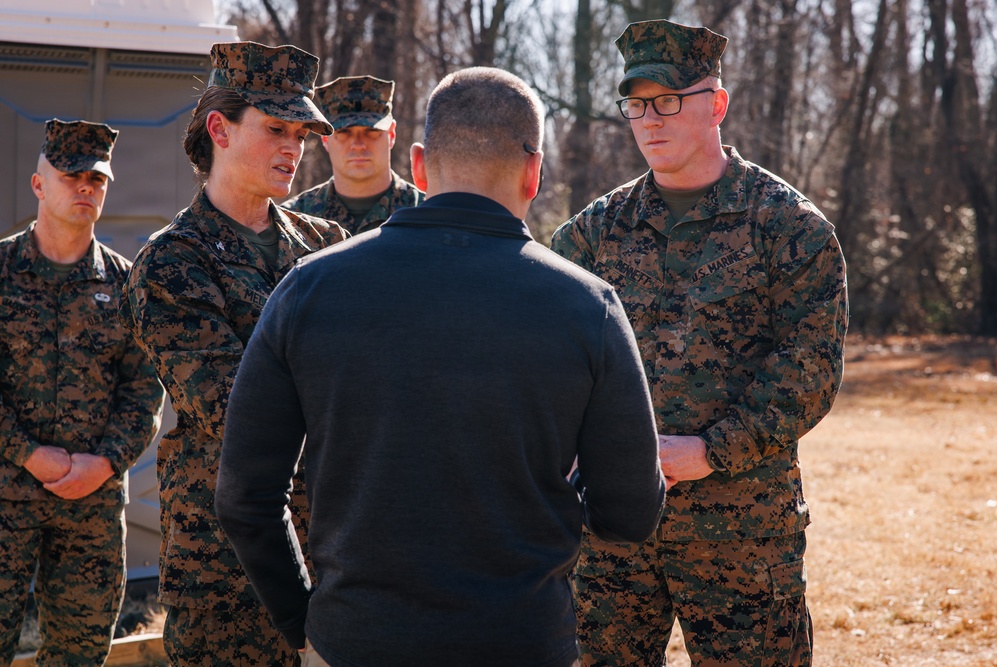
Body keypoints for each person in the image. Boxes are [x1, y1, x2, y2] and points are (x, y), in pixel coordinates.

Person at [215, 66, 667, 667]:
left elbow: (245, 496)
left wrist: (303, 620)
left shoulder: (310, 290)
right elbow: (631, 514)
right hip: (520, 640)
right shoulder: (588, 307)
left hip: (355, 639)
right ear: (534, 173)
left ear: (420, 165)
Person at [550, 20, 849, 667]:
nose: (649, 120)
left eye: (668, 100)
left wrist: (712, 449)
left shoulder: (789, 227)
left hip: (740, 532)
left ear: (715, 103)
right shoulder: (593, 234)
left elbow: (810, 368)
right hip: (613, 532)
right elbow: (540, 344)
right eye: (636, 103)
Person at [118, 41, 348, 666]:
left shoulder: (329, 245)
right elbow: (232, 407)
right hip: (228, 569)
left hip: (336, 547)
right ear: (218, 128)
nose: (294, 148)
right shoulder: (174, 261)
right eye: (276, 128)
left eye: (301, 133)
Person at [0, 119, 165, 666]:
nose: (85, 188)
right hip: (5, 495)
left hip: (89, 507)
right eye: (70, 176)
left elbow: (144, 391)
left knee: (79, 653)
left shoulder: (124, 284)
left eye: (96, 179)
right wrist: (26, 453)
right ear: (39, 184)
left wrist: (105, 463)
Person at [283, 75, 424, 234]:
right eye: (344, 132)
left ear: (391, 135)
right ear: (325, 139)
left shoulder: (425, 213)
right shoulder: (293, 221)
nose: (358, 145)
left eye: (371, 131)